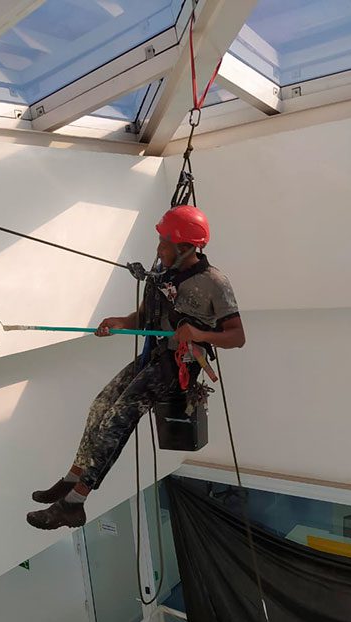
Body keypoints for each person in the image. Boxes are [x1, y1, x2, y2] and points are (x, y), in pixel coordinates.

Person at [26, 205, 245, 531]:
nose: (159, 249)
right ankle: (72, 477)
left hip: (179, 366)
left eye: (165, 243)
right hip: (153, 356)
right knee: (100, 406)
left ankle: (75, 502)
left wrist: (200, 334)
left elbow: (237, 336)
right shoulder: (161, 274)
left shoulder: (214, 283)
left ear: (186, 247)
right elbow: (143, 317)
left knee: (118, 418)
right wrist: (119, 322)